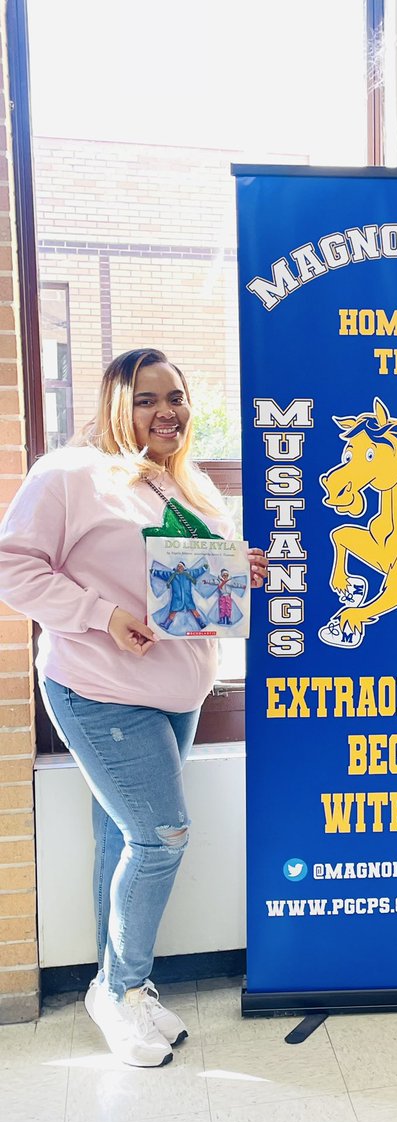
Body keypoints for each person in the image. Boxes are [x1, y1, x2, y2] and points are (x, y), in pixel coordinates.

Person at [0, 348, 267, 1068]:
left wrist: (239, 571)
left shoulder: (189, 484)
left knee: (125, 841)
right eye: (146, 399)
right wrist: (100, 614)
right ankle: (119, 991)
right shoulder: (69, 473)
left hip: (175, 692)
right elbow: (13, 567)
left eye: (175, 396)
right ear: (115, 403)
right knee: (162, 838)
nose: (167, 411)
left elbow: (191, 585)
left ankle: (122, 987)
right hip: (99, 689)